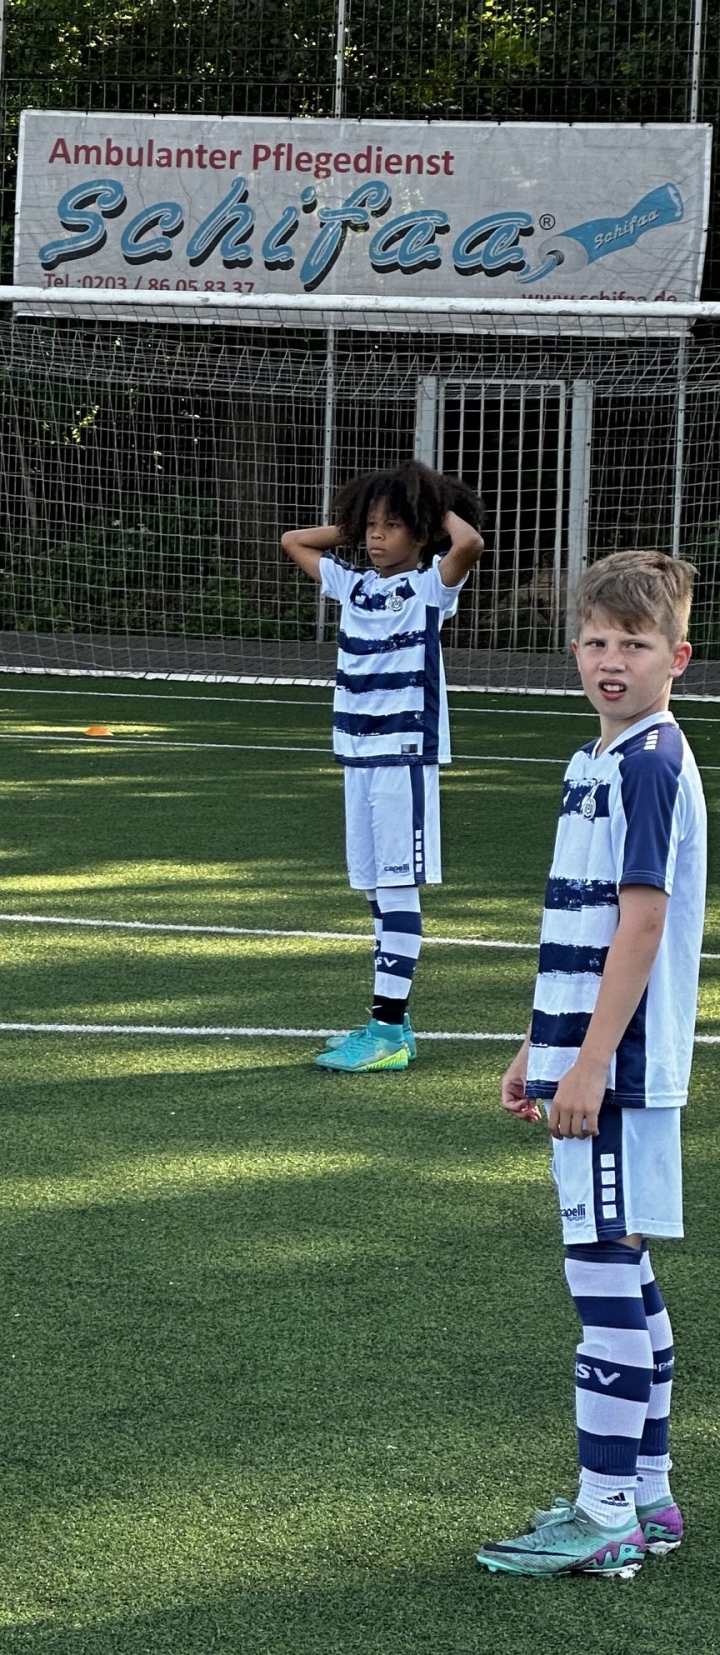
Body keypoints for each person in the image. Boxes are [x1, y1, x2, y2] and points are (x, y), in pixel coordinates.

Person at [479, 551, 703, 1579]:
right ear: (574, 646)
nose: (613, 660)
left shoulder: (650, 761)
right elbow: (583, 922)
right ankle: (648, 1494)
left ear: (677, 658)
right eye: (598, 640)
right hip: (590, 1056)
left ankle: (604, 1507)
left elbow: (642, 923)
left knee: (601, 1274)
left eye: (636, 644)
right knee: (627, 1268)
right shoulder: (600, 755)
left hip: (617, 1070)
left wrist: (591, 1064)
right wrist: (543, 1041)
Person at [280, 460, 485, 1072]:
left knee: (397, 888)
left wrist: (429, 510)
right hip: (357, 753)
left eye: (391, 526)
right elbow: (294, 541)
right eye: (370, 525)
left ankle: (387, 1030)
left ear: (421, 532)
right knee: (374, 887)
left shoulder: (429, 588)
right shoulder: (354, 586)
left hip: (403, 755)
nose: (375, 535)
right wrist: (358, 521)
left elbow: (469, 543)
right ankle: (394, 1019)